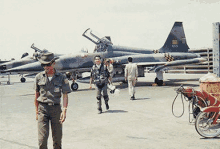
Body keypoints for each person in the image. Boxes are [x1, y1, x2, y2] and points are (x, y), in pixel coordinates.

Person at [34, 52, 71, 149]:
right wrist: (36, 111)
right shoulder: (38, 77)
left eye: (48, 65)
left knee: (57, 140)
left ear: (53, 63)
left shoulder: (62, 77)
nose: (46, 67)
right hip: (43, 110)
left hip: (56, 109)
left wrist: (64, 110)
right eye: (43, 65)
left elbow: (65, 95)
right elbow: (36, 95)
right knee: (42, 140)